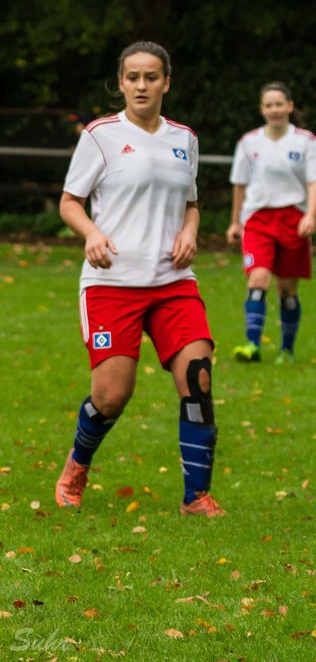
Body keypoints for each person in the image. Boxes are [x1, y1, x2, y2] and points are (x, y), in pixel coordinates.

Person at [54, 41, 223, 518]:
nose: (142, 85)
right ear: (121, 82)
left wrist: (190, 231)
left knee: (198, 378)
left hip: (173, 281)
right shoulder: (100, 135)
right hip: (112, 283)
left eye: (151, 77)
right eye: (133, 77)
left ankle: (196, 497)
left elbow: (191, 203)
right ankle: (77, 464)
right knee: (112, 395)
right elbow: (70, 201)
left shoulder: (184, 138)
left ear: (166, 82)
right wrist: (90, 233)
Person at [227, 82, 316, 365]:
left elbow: (313, 182)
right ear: (262, 109)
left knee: (287, 289)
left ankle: (286, 351)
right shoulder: (249, 142)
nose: (275, 110)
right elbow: (239, 184)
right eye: (269, 105)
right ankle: (252, 345)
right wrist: (234, 222)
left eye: (280, 104)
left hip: (293, 218)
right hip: (257, 219)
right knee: (258, 278)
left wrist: (310, 215)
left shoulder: (305, 141)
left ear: (290, 106)